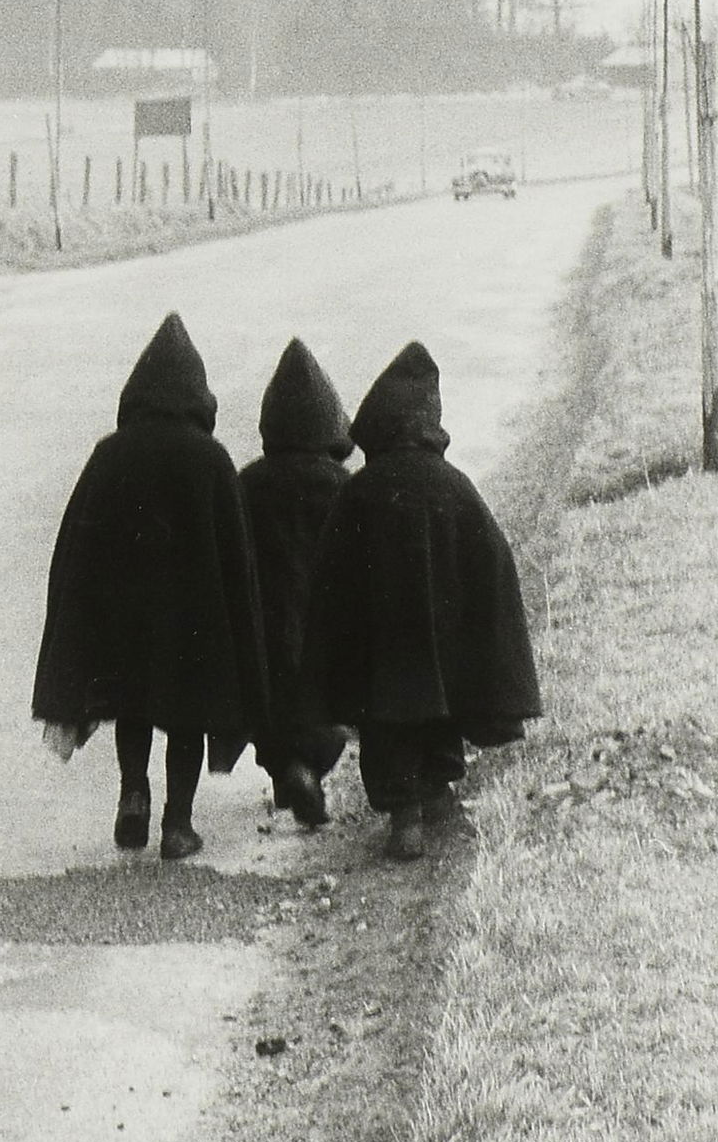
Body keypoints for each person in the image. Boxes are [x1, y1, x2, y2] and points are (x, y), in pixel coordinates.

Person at [31, 312, 267, 861]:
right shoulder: (211, 460)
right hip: (191, 621)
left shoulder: (109, 454)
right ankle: (177, 824)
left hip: (125, 616)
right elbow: (239, 559)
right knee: (185, 717)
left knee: (132, 705)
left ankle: (132, 795)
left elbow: (75, 549)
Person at [305, 339, 542, 861]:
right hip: (441, 639)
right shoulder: (453, 485)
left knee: (385, 723)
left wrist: (332, 650)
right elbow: (493, 558)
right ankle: (436, 791)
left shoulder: (360, 490)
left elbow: (329, 576)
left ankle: (403, 814)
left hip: (382, 646)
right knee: (441, 708)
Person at [238, 337, 353, 829]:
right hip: (323, 618)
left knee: (272, 703)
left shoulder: (248, 482)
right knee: (324, 702)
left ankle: (287, 769)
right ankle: (310, 771)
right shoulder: (341, 484)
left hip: (266, 619)